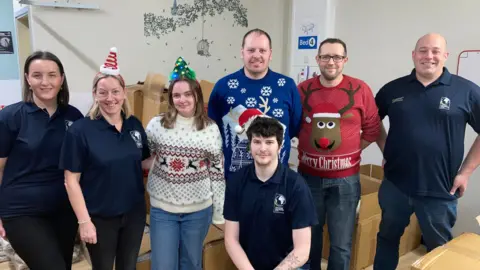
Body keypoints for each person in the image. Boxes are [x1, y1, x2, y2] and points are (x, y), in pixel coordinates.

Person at [373, 33, 480, 270]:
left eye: (434, 51)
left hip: (441, 189)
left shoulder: (467, 91)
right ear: (413, 55)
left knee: (439, 249)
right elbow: (371, 122)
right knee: (387, 238)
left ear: (445, 56)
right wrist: (386, 148)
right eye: (422, 50)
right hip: (395, 185)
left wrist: (466, 172)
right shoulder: (392, 89)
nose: (428, 56)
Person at [60, 47, 150, 270]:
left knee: (128, 266)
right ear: (95, 94)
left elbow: (142, 164)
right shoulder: (80, 131)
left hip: (134, 214)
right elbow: (71, 181)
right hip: (99, 218)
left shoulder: (134, 125)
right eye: (103, 92)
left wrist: (170, 154)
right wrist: (84, 222)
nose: (110, 98)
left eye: (115, 91)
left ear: (124, 93)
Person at [297, 38, 381, 270]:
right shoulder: (302, 90)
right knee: (308, 242)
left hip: (346, 182)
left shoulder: (360, 89)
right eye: (325, 56)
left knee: (341, 245)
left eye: (336, 57)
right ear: (317, 60)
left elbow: (373, 129)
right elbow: (292, 126)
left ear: (345, 60)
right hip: (307, 180)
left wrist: (350, 153)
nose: (330, 62)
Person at [0, 51, 83, 269]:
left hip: (64, 210)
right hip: (21, 211)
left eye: (52, 75)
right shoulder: (10, 116)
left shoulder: (74, 117)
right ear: (27, 78)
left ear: (61, 79)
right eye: (37, 75)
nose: (45, 82)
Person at [144, 56, 226, 270]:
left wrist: (219, 213)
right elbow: (144, 158)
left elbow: (217, 174)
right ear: (170, 98)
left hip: (199, 211)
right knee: (163, 265)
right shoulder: (156, 125)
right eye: (177, 95)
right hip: (163, 210)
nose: (183, 100)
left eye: (188, 94)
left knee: (191, 264)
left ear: (197, 95)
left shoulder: (210, 129)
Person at [224, 115, 318, 270]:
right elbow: (231, 240)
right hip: (249, 265)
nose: (262, 148)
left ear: (279, 146)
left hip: (289, 265)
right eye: (257, 141)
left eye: (269, 142)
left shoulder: (296, 186)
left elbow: (302, 250)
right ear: (250, 144)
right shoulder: (236, 181)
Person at [208, 28, 303, 180]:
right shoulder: (223, 87)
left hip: (276, 179)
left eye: (262, 50)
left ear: (270, 54)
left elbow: (295, 126)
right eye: (251, 50)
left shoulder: (287, 86)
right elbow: (212, 129)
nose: (256, 55)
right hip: (235, 180)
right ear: (242, 52)